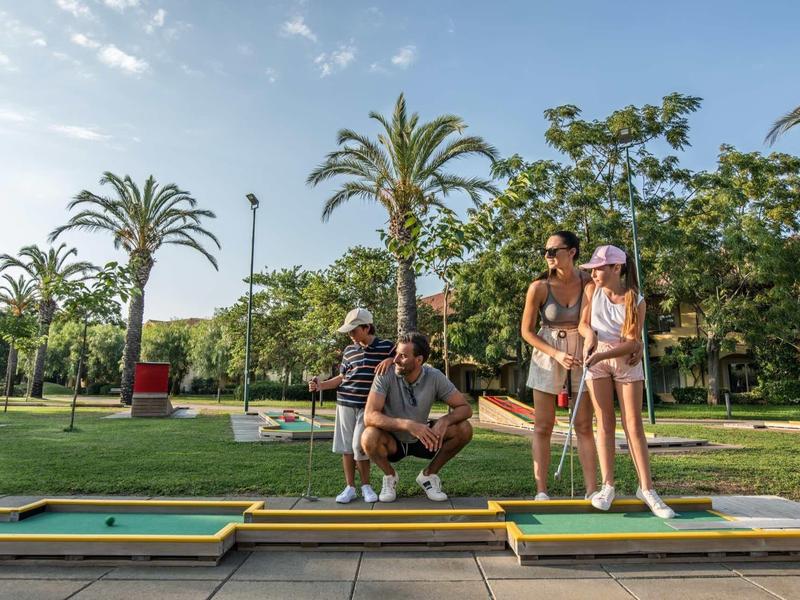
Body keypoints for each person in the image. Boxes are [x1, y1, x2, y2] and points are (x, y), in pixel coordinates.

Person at [578, 245, 675, 518]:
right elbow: (583, 324)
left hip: (624, 361)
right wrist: (590, 338)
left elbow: (632, 342)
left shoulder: (636, 299)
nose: (594, 272)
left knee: (633, 424)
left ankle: (646, 489)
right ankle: (607, 485)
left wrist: (602, 355)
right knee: (604, 423)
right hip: (595, 359)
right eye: (593, 268)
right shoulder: (591, 291)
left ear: (616, 268)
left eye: (599, 268)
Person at [520, 231, 598, 501]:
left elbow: (589, 322)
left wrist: (590, 342)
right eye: (546, 251)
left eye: (554, 251)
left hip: (580, 349)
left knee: (584, 425)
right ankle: (541, 490)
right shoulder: (539, 287)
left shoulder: (589, 282)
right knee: (543, 425)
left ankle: (591, 490)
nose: (548, 256)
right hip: (547, 350)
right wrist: (555, 354)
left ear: (572, 252)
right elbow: (527, 332)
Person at [361, 332, 473, 502]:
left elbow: (465, 408)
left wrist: (444, 421)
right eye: (396, 353)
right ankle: (390, 476)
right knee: (368, 436)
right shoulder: (385, 373)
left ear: (419, 360)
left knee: (464, 429)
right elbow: (369, 416)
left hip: (423, 439)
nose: (396, 359)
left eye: (403, 356)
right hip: (392, 441)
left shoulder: (434, 376)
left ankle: (428, 476)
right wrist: (407, 425)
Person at [309, 308, 394, 504]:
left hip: (368, 407)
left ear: (366, 328)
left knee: (358, 445)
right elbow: (342, 378)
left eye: (354, 330)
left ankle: (366, 486)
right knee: (346, 447)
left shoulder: (386, 347)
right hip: (345, 403)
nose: (351, 335)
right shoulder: (348, 351)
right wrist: (321, 385)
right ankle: (350, 488)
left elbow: (404, 357)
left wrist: (391, 359)